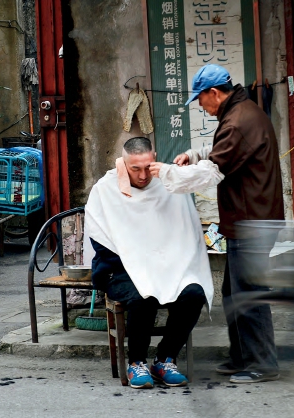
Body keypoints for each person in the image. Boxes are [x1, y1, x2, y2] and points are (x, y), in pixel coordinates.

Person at [149, 64, 285, 384]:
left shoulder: (237, 120)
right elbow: (226, 153)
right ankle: (241, 356)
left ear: (214, 93)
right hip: (250, 218)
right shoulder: (242, 112)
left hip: (252, 222)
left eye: (201, 99)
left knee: (249, 294)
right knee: (234, 293)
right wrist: (196, 154)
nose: (200, 105)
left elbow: (213, 172)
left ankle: (262, 363)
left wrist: (168, 175)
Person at [85, 137, 214, 389]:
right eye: (135, 169)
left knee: (194, 293)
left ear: (154, 158)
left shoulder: (168, 183)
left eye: (148, 167)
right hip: (121, 269)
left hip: (167, 265)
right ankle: (137, 363)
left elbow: (185, 232)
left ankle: (165, 359)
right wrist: (141, 263)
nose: (143, 176)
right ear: (124, 162)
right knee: (144, 293)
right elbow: (101, 241)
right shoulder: (105, 189)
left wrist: (164, 262)